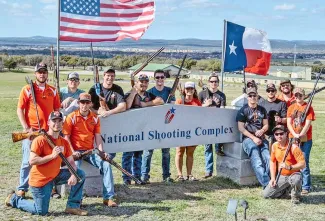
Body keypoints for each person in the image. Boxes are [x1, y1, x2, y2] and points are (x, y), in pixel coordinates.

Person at [5, 111, 87, 216]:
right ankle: (14, 199)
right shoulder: (40, 140)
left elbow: (71, 162)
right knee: (41, 211)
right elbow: (32, 161)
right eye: (54, 121)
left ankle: (72, 206)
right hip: (40, 181)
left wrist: (73, 174)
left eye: (59, 121)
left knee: (79, 174)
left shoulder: (64, 142)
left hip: (54, 176)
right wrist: (52, 156)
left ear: (63, 123)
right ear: (48, 123)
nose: (57, 123)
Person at [62, 93, 118, 207]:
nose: (84, 105)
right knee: (76, 170)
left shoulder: (94, 117)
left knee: (106, 165)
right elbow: (66, 137)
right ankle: (77, 199)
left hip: (90, 151)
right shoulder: (71, 117)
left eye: (87, 102)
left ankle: (108, 197)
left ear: (91, 104)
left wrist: (101, 152)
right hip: (76, 151)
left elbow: (98, 137)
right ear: (78, 103)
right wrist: (73, 152)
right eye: (82, 102)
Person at [16, 63, 61, 198]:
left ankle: (50, 187)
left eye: (44, 72)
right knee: (26, 161)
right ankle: (22, 188)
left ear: (47, 74)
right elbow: (20, 109)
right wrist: (26, 127)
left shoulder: (53, 90)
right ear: (36, 74)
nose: (42, 74)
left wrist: (55, 128)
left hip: (48, 132)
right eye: (39, 72)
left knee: (50, 159)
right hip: (32, 131)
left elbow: (57, 111)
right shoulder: (27, 89)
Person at [123, 74, 164, 185]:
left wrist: (144, 104)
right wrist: (133, 93)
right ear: (136, 82)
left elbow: (160, 101)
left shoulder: (149, 95)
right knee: (127, 154)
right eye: (141, 81)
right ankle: (126, 179)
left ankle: (137, 177)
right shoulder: (129, 93)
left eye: (146, 82)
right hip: (130, 129)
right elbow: (126, 105)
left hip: (143, 129)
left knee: (138, 154)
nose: (144, 84)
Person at [141, 69, 175, 183]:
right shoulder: (150, 92)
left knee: (166, 152)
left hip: (165, 125)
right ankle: (144, 176)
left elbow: (172, 107)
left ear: (164, 78)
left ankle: (166, 175)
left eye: (162, 77)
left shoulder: (170, 91)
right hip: (151, 125)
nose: (160, 79)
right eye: (157, 77)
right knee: (148, 152)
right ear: (154, 79)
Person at [236, 87, 270, 188]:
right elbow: (241, 128)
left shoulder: (262, 109)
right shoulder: (243, 110)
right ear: (247, 97)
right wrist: (253, 138)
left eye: (254, 95)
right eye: (250, 96)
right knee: (257, 160)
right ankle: (267, 184)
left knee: (268, 158)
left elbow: (266, 125)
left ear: (257, 96)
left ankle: (270, 179)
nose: (252, 97)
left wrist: (262, 130)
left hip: (261, 137)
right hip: (248, 139)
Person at [263, 125, 305, 204]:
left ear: (286, 134)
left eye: (281, 133)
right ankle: (286, 192)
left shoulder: (294, 147)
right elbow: (272, 161)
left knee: (296, 179)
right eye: (276, 134)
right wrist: (272, 178)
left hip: (294, 174)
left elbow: (303, 164)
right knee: (266, 194)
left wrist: (289, 167)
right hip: (282, 175)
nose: (279, 136)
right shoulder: (274, 146)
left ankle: (296, 196)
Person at [287, 88, 315, 195]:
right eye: (296, 95)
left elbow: (308, 124)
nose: (298, 97)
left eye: (300, 95)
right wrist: (294, 135)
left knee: (304, 161)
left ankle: (306, 186)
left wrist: (300, 134)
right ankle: (293, 183)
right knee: (292, 161)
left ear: (304, 96)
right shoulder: (291, 107)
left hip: (305, 139)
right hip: (292, 137)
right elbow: (289, 123)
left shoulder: (308, 108)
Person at [198, 73, 226, 178]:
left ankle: (222, 168)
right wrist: (206, 105)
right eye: (212, 81)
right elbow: (197, 109)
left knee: (218, 147)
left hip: (217, 123)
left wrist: (214, 108)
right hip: (205, 123)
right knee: (207, 148)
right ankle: (208, 170)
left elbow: (223, 110)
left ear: (218, 83)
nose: (214, 83)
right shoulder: (202, 94)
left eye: (215, 81)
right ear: (209, 82)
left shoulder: (221, 95)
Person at [175, 82, 202, 181]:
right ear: (184, 90)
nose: (189, 90)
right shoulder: (179, 101)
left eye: (191, 88)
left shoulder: (197, 102)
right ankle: (180, 174)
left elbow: (200, 114)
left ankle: (189, 174)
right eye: (187, 88)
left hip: (193, 130)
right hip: (181, 130)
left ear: (194, 90)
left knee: (190, 153)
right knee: (179, 152)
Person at [259, 83, 287, 148]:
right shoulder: (261, 104)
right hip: (265, 134)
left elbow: (286, 119)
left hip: (278, 134)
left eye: (272, 90)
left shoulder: (282, 103)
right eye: (268, 91)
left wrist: (280, 120)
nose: (270, 92)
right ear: (266, 92)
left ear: (275, 91)